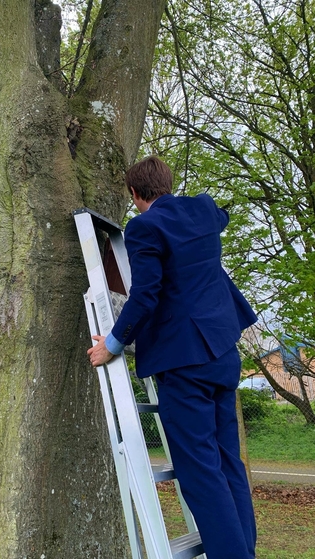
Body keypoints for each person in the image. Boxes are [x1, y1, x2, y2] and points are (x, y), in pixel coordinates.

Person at [87, 155, 257, 559]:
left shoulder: (144, 226)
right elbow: (221, 216)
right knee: (227, 462)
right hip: (222, 353)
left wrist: (110, 344)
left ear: (134, 194)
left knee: (201, 472)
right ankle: (244, 550)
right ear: (168, 183)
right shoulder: (203, 210)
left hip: (183, 362)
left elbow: (145, 295)